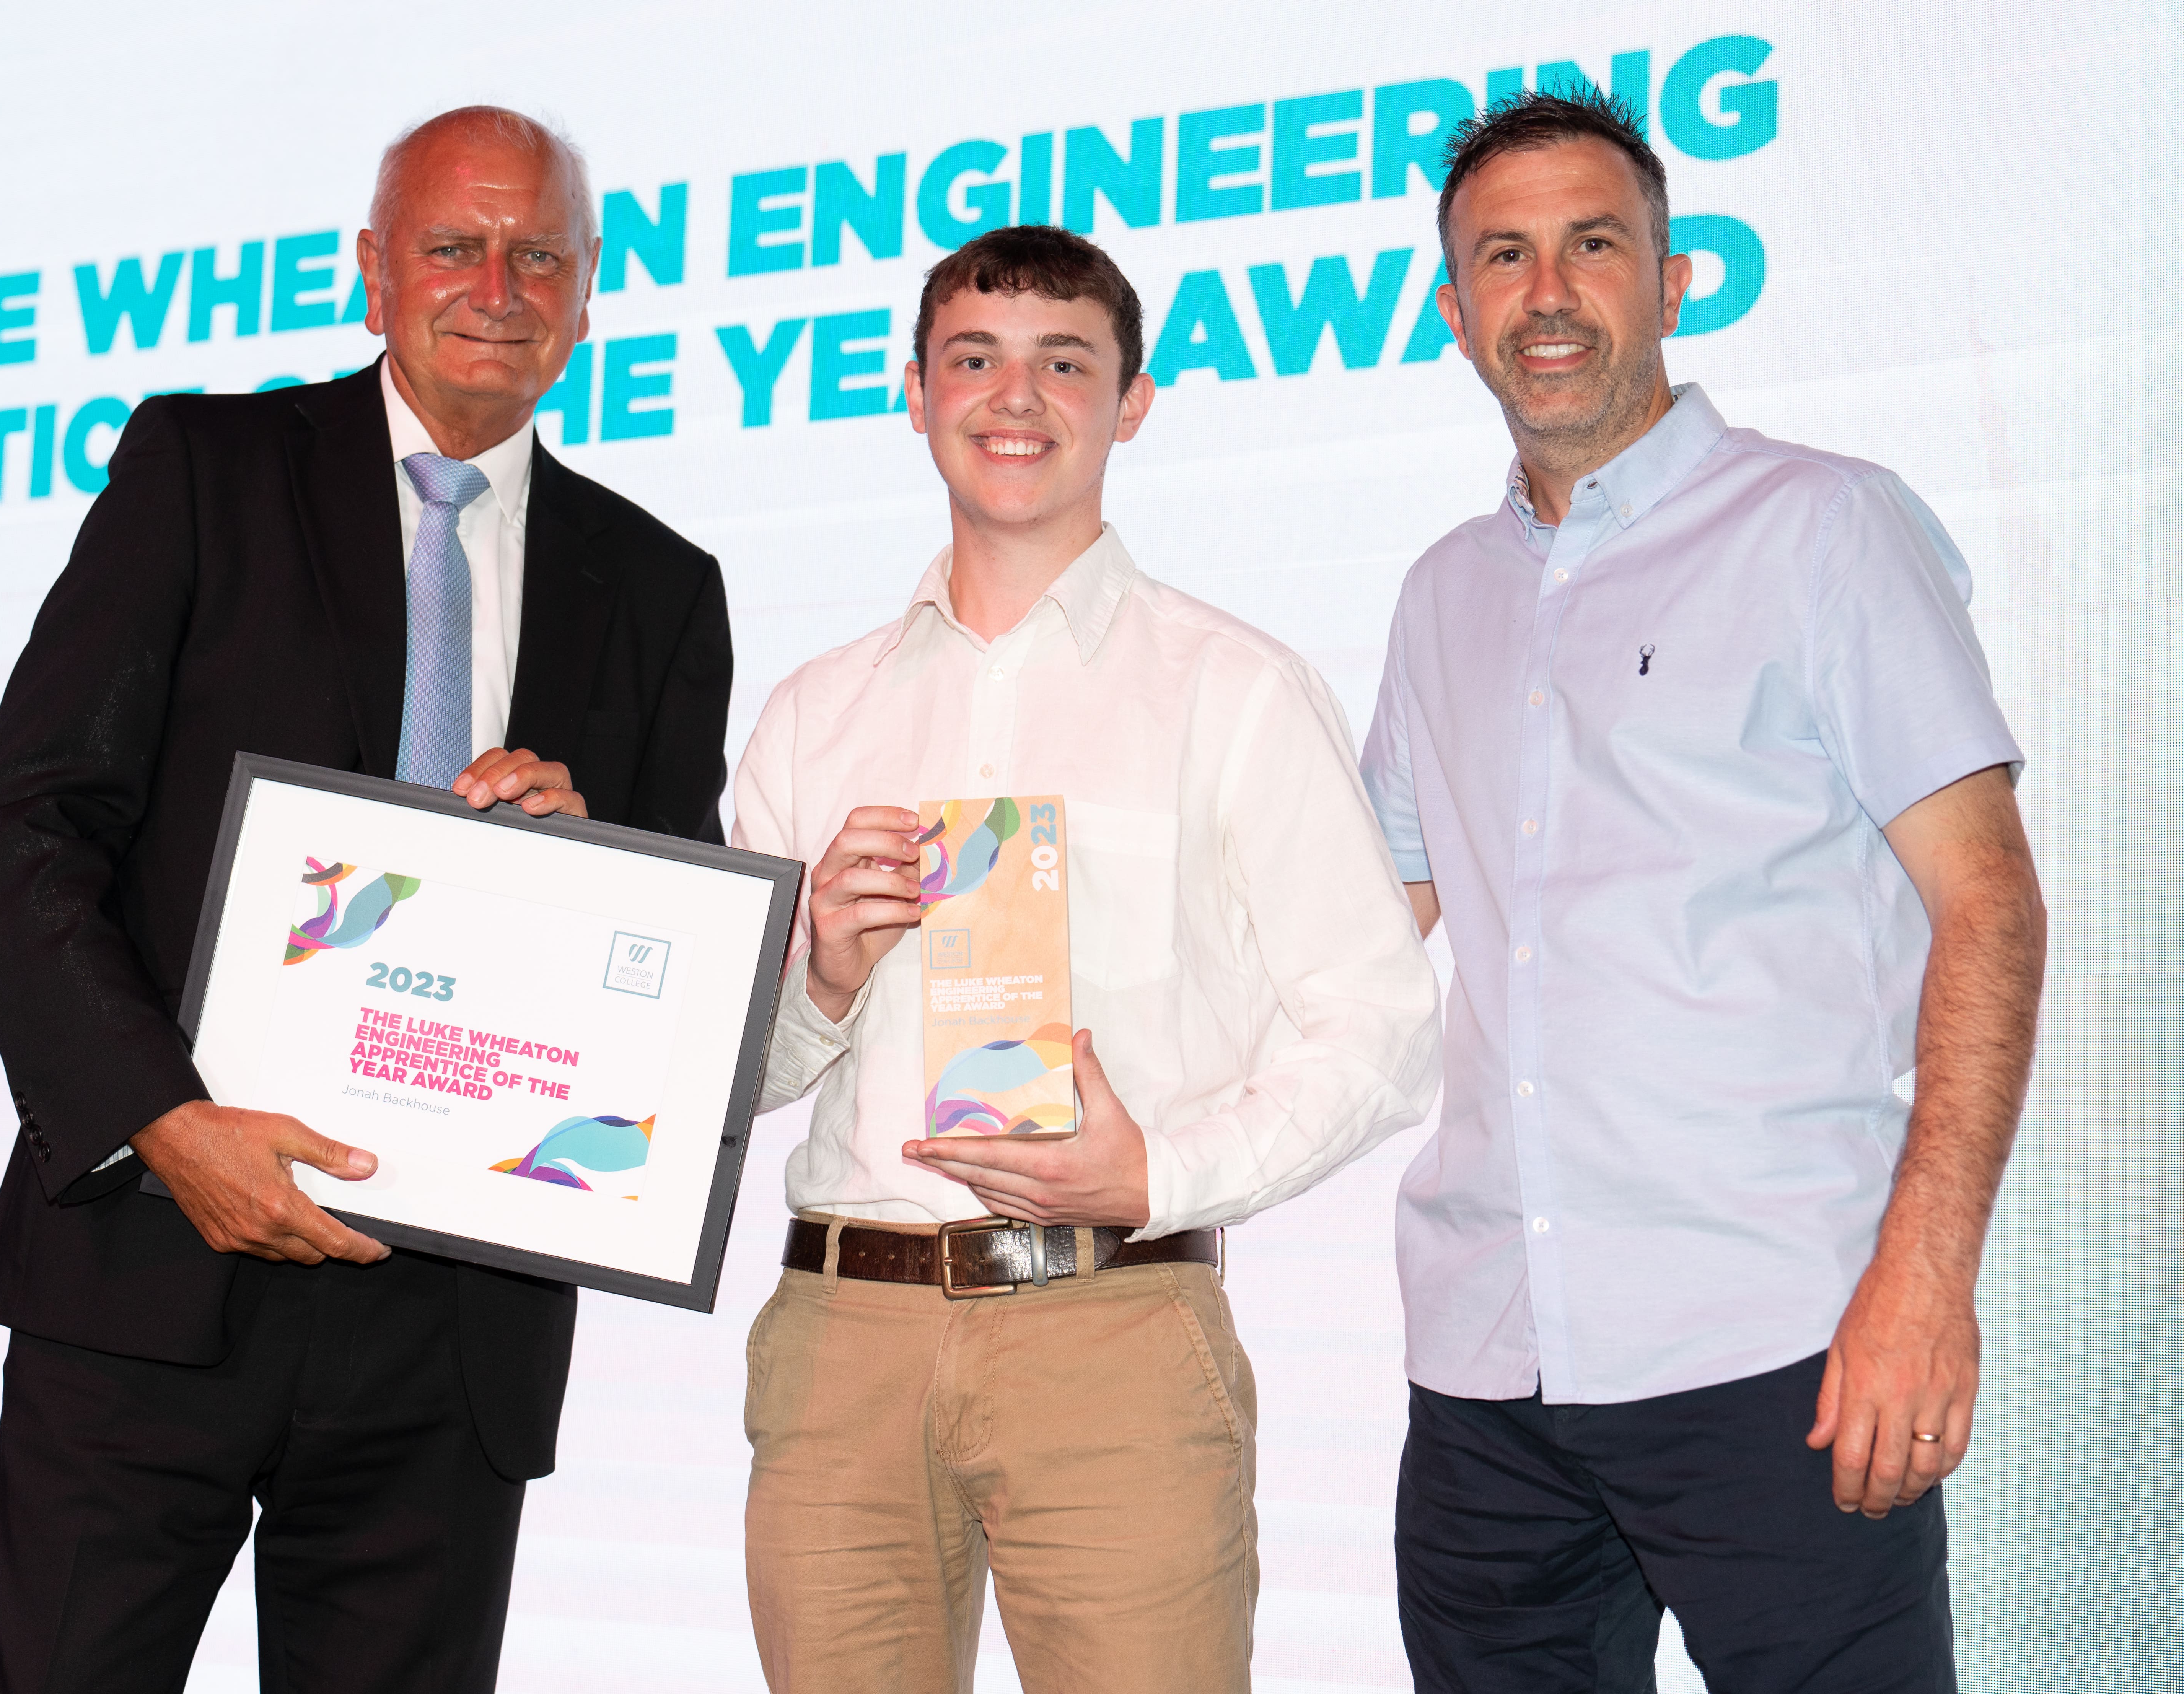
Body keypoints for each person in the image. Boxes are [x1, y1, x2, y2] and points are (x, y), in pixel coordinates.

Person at [0, 106, 734, 1694]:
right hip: (153, 1276)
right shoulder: (204, 469)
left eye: (541, 256)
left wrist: (596, 866)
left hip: (448, 1344)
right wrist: (168, 1124)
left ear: (589, 295)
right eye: (454, 244)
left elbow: (681, 962)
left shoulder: (661, 586)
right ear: (372, 268)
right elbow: (24, 826)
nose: (496, 284)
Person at [1363, 85, 2048, 1692]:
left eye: (1592, 246)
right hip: (1487, 1376)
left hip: (1781, 1354)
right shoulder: (1439, 595)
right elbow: (1365, 942)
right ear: (1453, 310)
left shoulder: (1821, 526)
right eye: (1503, 257)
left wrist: (1928, 1280)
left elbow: (1991, 907)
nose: (1547, 294)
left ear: (1671, 279)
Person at [727, 223, 1441, 1694]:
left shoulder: (1233, 690)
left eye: (1067, 363)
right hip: (844, 1339)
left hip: (1114, 1323)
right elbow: (739, 1080)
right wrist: (822, 980)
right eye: (974, 359)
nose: (1016, 396)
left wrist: (1158, 1179)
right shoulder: (813, 713)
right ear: (912, 392)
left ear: (1133, 403)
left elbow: (1381, 1028)